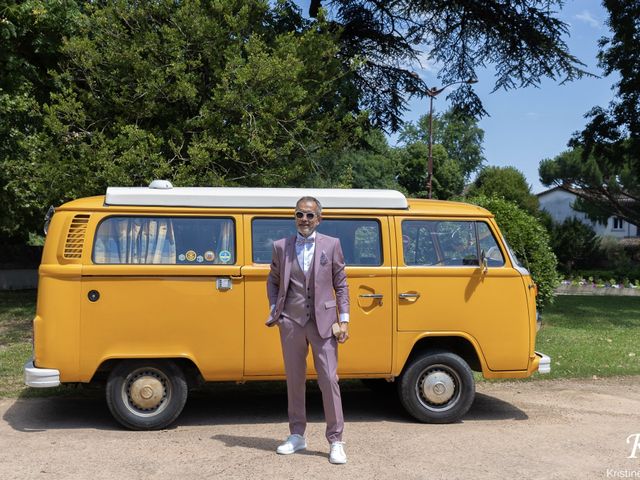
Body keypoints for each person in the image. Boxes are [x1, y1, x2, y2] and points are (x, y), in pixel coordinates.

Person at [265, 196, 350, 464]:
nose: (304, 219)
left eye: (310, 215)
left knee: (329, 380)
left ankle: (336, 440)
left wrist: (344, 319)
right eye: (300, 214)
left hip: (324, 322)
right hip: (291, 321)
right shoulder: (281, 247)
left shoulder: (332, 245)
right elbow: (273, 281)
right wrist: (276, 313)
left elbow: (341, 283)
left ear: (319, 219)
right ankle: (297, 435)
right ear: (295, 217)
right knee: (294, 379)